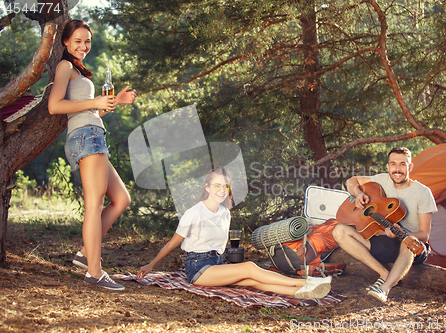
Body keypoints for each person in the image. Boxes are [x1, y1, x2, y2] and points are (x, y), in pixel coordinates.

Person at [137, 167, 332, 299]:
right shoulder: (193, 213)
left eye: (225, 186)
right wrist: (151, 264)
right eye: (217, 186)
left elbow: (220, 247)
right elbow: (172, 243)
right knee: (249, 268)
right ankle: (307, 282)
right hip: (197, 268)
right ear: (207, 187)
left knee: (251, 281)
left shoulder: (225, 213)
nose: (222, 191)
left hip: (217, 263)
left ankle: (303, 292)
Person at [48, 19, 137, 291]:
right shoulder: (65, 66)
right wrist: (96, 101)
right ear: (65, 42)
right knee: (94, 204)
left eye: (87, 41)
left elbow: (86, 111)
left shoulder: (79, 70)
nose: (83, 46)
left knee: (121, 199)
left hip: (94, 134)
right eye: (77, 41)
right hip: (85, 137)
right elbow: (54, 105)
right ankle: (94, 272)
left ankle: (86, 254)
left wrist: (113, 103)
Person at [332, 147, 437, 302]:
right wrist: (359, 193)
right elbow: (351, 181)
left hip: (410, 246)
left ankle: (384, 288)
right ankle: (384, 273)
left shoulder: (423, 192)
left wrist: (403, 234)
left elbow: (424, 234)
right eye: (393, 164)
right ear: (388, 167)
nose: (397, 169)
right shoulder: (381, 180)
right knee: (339, 231)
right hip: (384, 242)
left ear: (410, 166)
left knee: (410, 242)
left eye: (403, 164)